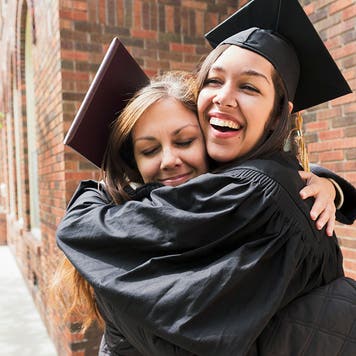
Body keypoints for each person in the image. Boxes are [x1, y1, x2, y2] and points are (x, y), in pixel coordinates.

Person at [56, 0, 356, 354]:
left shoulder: (249, 195)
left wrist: (95, 195)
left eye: (250, 87)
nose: (224, 98)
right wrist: (332, 186)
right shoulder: (267, 181)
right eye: (214, 80)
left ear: (279, 114)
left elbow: (83, 231)